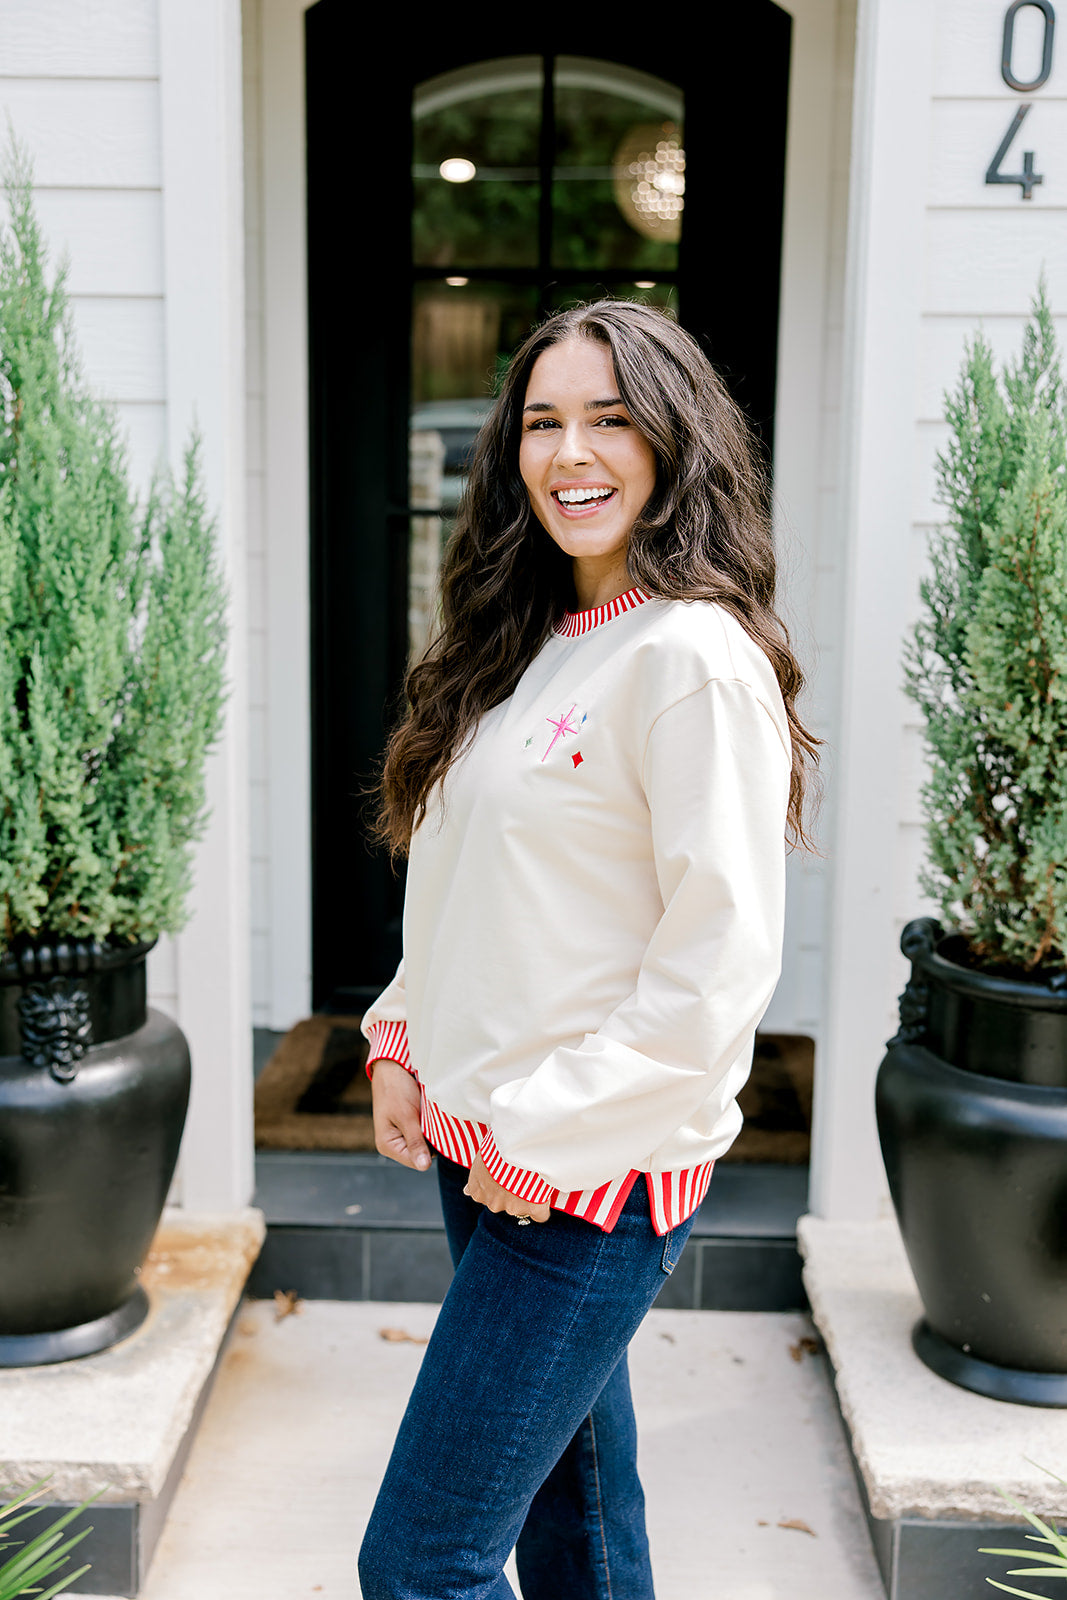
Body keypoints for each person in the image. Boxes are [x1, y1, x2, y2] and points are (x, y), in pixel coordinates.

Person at [357, 300, 819, 1600]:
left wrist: (540, 1135)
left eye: (611, 419)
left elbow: (714, 971)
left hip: (582, 1177)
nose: (573, 452)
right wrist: (398, 1034)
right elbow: (468, 888)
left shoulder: (692, 660)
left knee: (422, 1562)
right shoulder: (527, 646)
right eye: (545, 421)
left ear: (676, 445)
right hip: (482, 1144)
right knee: (578, 1521)